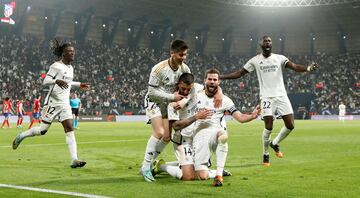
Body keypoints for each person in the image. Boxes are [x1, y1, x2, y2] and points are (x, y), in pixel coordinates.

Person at [220, 35, 319, 166]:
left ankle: (275, 143)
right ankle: (265, 154)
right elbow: (239, 73)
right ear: (260, 44)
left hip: (281, 96)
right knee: (269, 127)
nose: (267, 42)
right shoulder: (255, 60)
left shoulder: (280, 58)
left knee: (290, 125)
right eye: (265, 41)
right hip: (266, 97)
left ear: (271, 44)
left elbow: (294, 66)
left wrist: (307, 68)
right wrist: (221, 76)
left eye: (269, 41)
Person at [12, 39, 90, 168]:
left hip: (64, 104)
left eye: (73, 51)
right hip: (53, 103)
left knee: (70, 129)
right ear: (63, 54)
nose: (72, 53)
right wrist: (56, 81)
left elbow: (68, 82)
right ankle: (22, 135)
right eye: (69, 51)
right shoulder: (56, 66)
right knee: (42, 130)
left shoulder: (70, 68)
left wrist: (79, 84)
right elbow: (45, 81)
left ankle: (74, 159)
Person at [192, 68, 260, 186]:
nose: (212, 82)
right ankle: (216, 172)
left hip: (215, 134)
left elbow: (239, 117)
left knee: (222, 135)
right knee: (201, 176)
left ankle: (218, 176)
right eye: (210, 79)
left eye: (215, 79)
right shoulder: (195, 96)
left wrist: (252, 116)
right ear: (205, 80)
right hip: (198, 138)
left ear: (219, 82)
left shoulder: (226, 101)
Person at [141, 39, 191, 182]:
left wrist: (182, 101)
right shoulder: (159, 69)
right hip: (154, 102)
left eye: (185, 55)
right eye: (181, 55)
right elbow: (151, 93)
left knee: (167, 137)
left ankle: (149, 163)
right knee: (159, 132)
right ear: (172, 53)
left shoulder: (185, 69)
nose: (183, 58)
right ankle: (145, 167)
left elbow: (189, 89)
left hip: (168, 104)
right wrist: (172, 97)